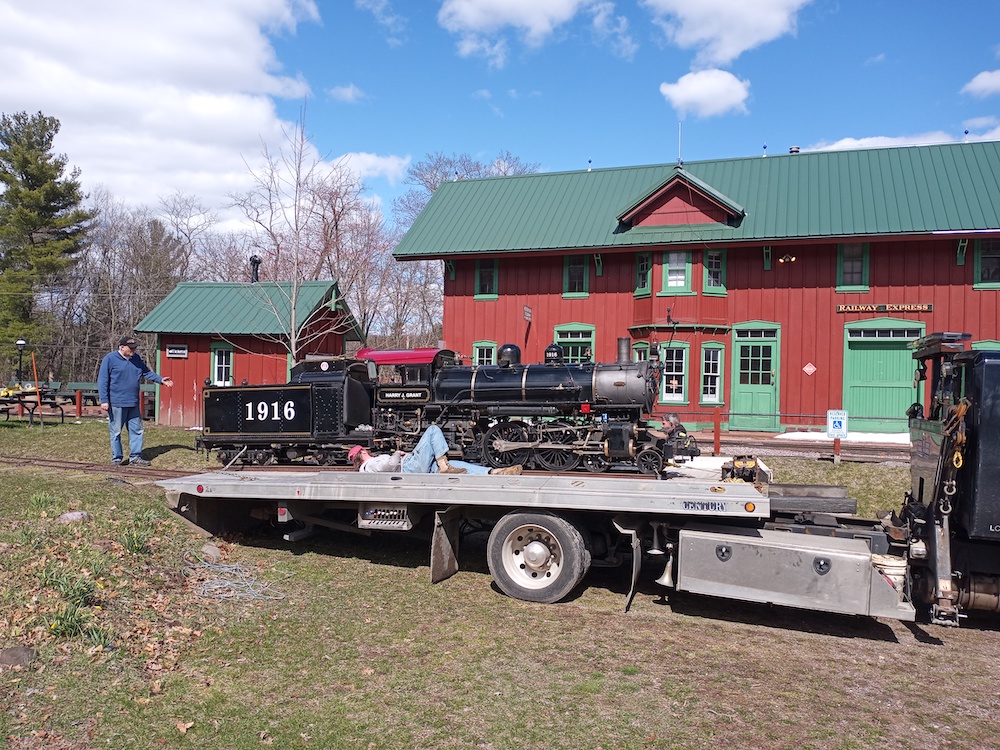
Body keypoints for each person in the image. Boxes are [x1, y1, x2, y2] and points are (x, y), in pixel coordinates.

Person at [98, 335, 174, 467]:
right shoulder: (110, 359)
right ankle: (117, 459)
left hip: (133, 402)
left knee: (137, 430)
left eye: (135, 348)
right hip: (117, 403)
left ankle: (135, 457)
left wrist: (161, 380)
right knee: (116, 431)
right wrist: (104, 400)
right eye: (131, 348)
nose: (133, 350)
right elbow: (103, 381)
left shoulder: (136, 359)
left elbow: (147, 373)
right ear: (122, 347)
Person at [348, 425, 522, 476]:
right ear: (361, 454)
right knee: (432, 430)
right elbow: (388, 465)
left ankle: (494, 473)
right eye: (364, 450)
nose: (367, 451)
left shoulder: (367, 468)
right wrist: (397, 453)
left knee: (458, 466)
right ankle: (443, 464)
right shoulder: (370, 465)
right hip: (410, 467)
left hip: (412, 469)